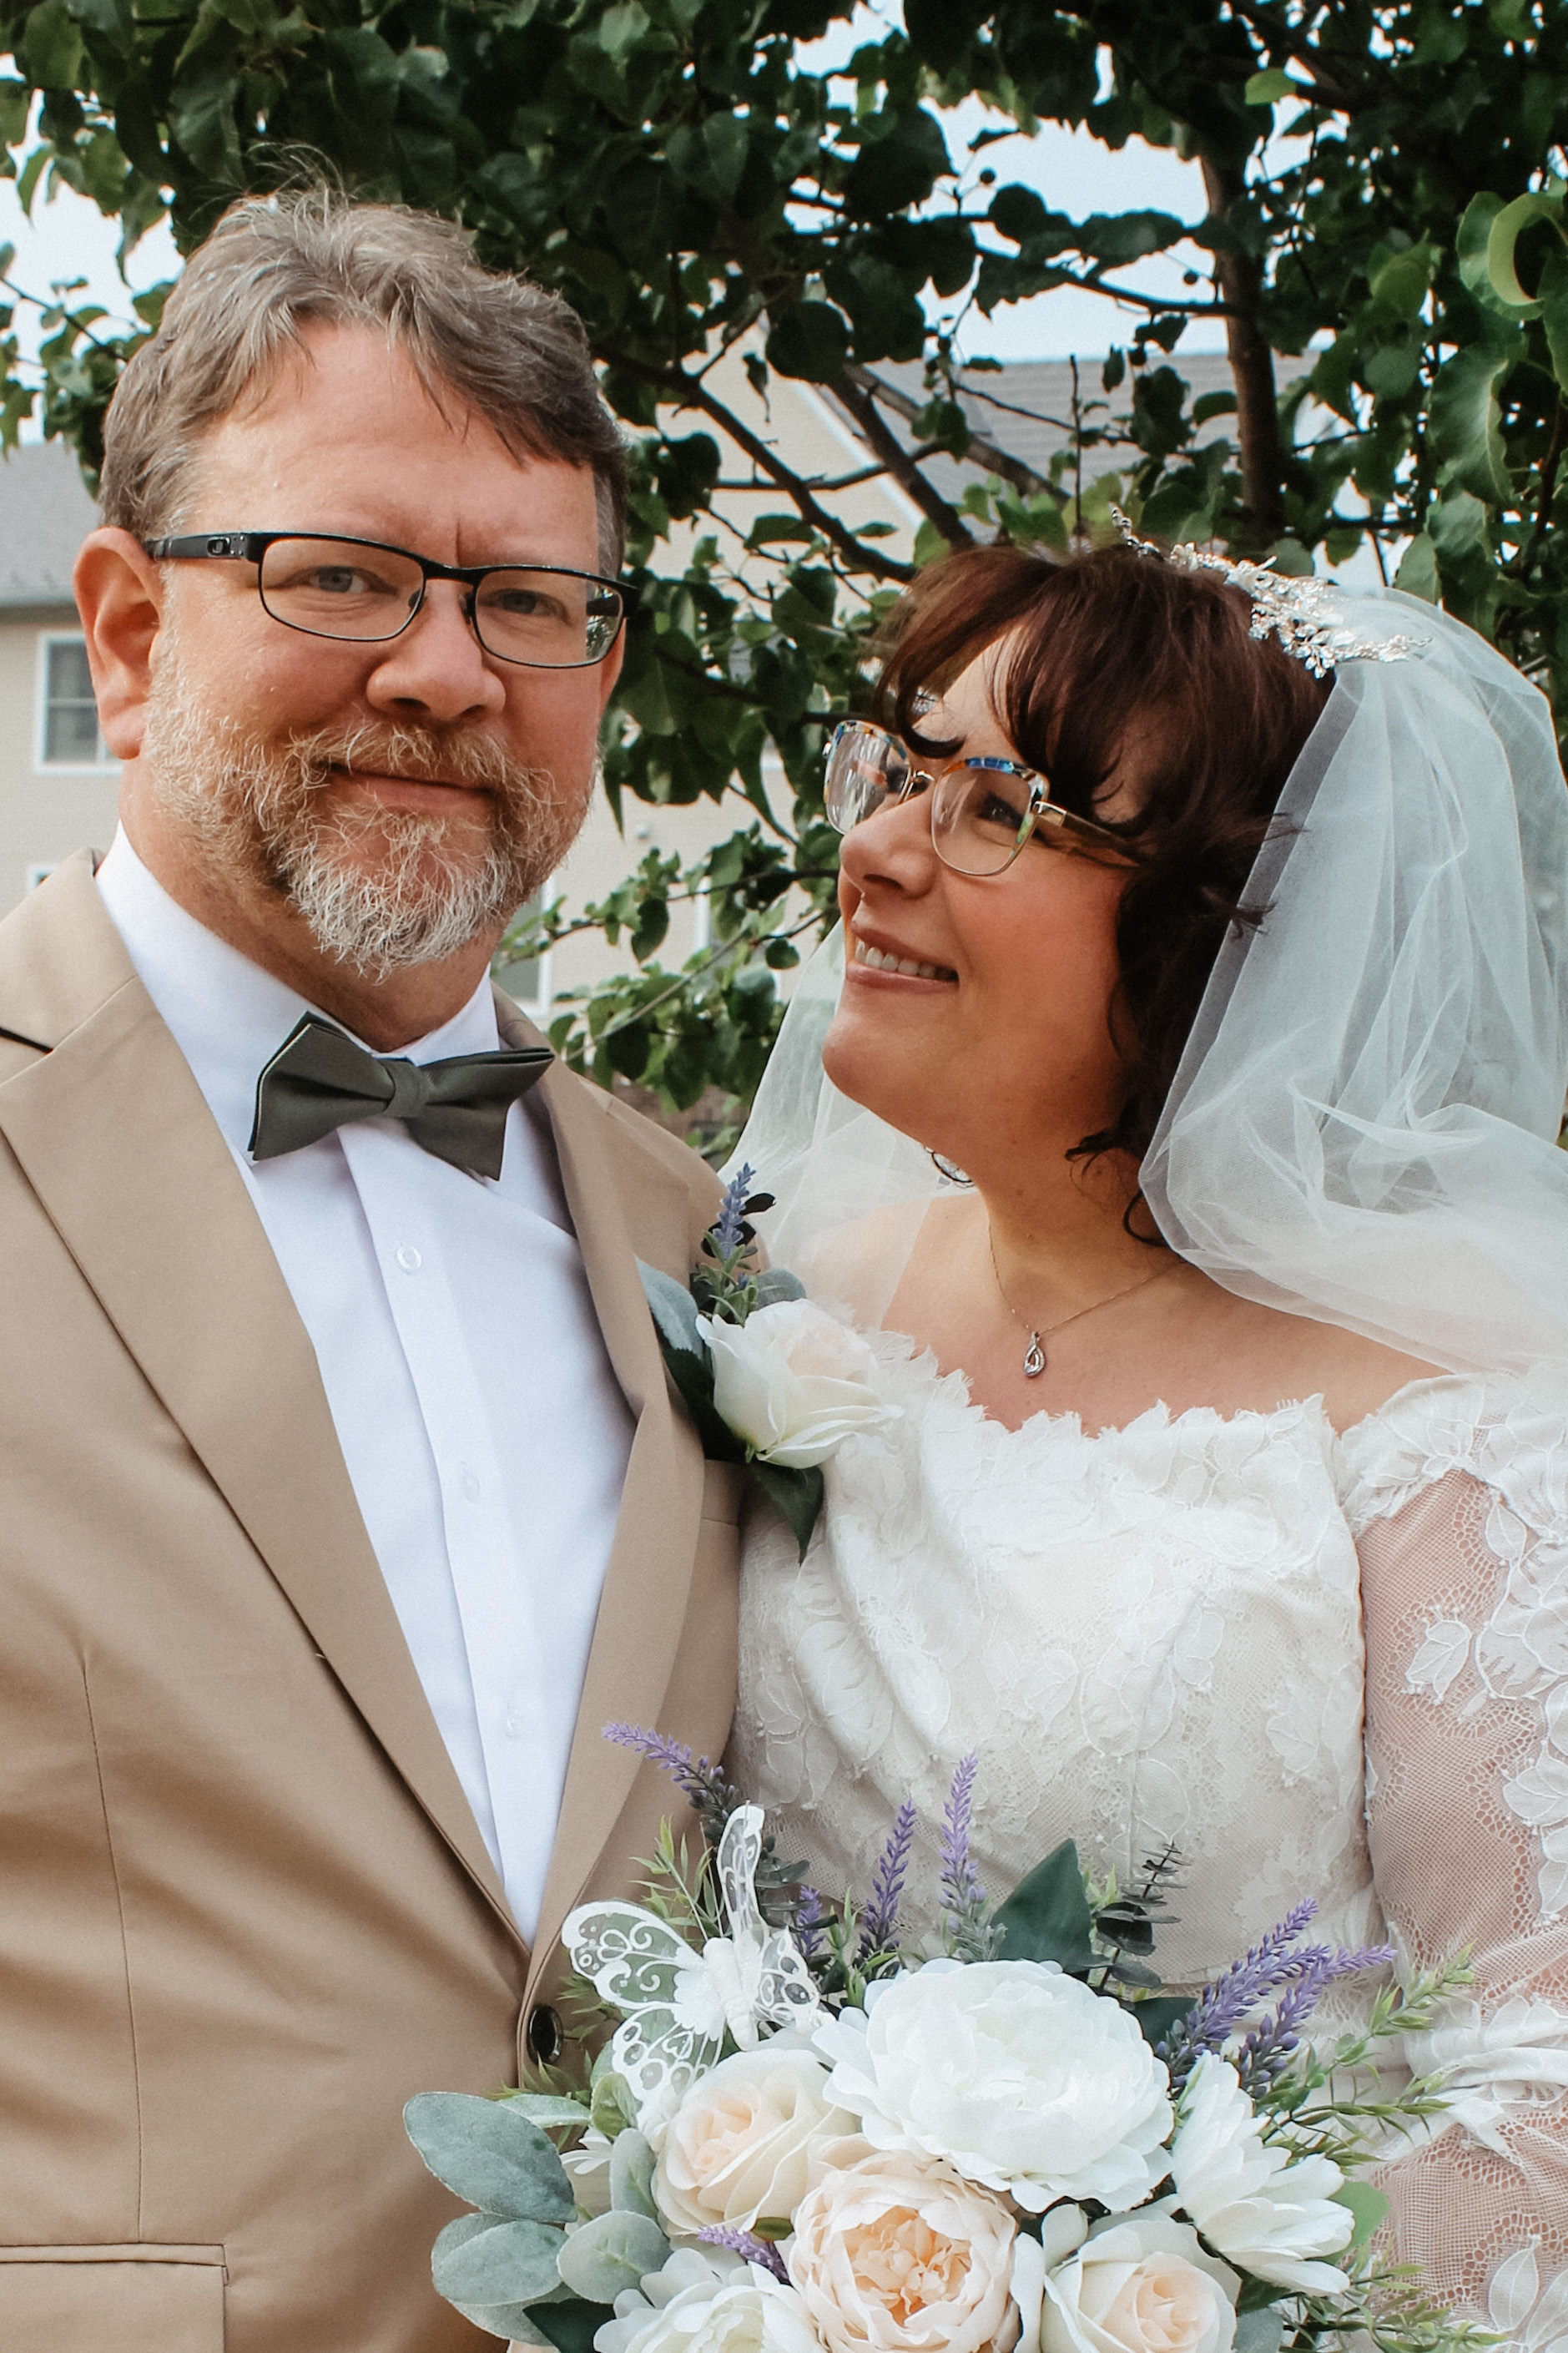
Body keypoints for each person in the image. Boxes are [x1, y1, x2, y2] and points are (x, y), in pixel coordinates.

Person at [0, 192, 741, 2353]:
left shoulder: (697, 1230)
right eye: (340, 576)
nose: (442, 669)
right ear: (127, 634)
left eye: (528, 601)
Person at [728, 534, 1568, 2334]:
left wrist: (1088, 2313)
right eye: (895, 765)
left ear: (1220, 929)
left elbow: (1540, 2098)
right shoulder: (774, 1293)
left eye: (997, 807)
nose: (876, 849)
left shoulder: (1445, 1419)